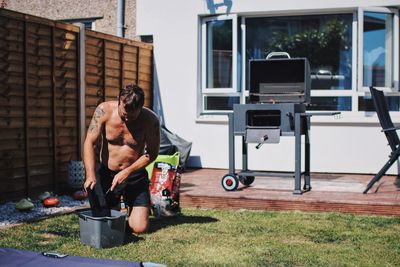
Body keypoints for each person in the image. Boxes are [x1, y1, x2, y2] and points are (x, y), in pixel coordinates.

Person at [83, 84, 160, 234]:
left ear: (141, 107)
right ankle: (116, 206)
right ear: (119, 100)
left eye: (132, 116)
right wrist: (90, 173)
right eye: (124, 113)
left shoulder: (151, 120)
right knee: (105, 223)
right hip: (107, 174)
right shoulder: (103, 110)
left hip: (134, 175)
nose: (127, 119)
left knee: (139, 228)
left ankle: (135, 208)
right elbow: (89, 142)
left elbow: (152, 153)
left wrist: (127, 172)